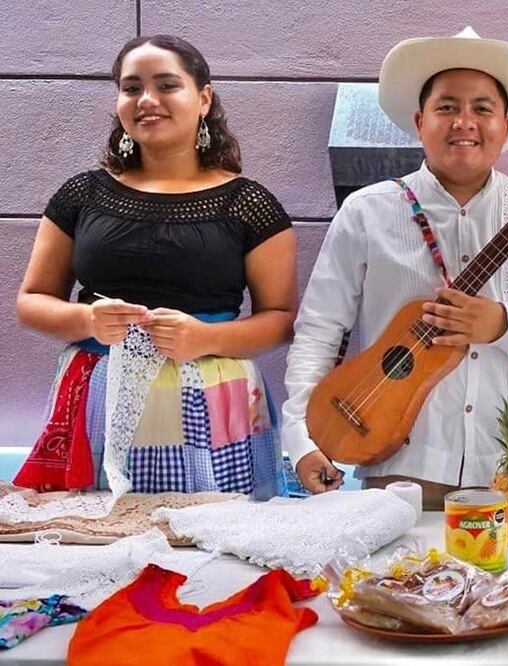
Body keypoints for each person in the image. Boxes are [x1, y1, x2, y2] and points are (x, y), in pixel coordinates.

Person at [281, 28, 508, 505]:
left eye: (482, 108)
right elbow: (319, 330)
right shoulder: (368, 211)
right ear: (419, 121)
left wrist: (503, 324)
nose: (464, 122)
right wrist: (302, 440)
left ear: (506, 127)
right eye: (446, 107)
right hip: (397, 466)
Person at [14, 35, 297, 499]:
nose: (147, 100)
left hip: (213, 400)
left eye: (167, 85)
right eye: (131, 88)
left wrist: (205, 338)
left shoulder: (251, 205)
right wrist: (85, 319)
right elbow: (31, 303)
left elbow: (281, 319)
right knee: (99, 545)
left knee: (213, 550)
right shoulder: (81, 195)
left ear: (203, 98)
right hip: (97, 397)